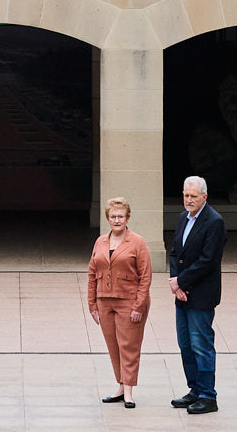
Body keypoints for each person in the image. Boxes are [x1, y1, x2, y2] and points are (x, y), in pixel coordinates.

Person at [83, 197, 152, 408]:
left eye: (120, 216)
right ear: (107, 219)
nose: (117, 220)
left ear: (127, 218)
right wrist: (92, 304)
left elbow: (146, 276)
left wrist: (139, 306)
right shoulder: (100, 242)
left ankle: (129, 391)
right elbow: (92, 273)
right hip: (105, 301)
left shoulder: (137, 242)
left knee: (128, 346)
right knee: (113, 346)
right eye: (113, 216)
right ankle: (121, 387)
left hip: (129, 301)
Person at [166, 174, 225, 413]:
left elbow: (208, 261)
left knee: (201, 345)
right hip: (182, 293)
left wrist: (182, 281)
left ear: (204, 197)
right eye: (186, 195)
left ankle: (208, 396)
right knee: (185, 344)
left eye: (193, 196)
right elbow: (174, 252)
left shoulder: (214, 222)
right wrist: (176, 283)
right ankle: (195, 390)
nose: (188, 200)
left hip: (200, 295)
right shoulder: (183, 218)